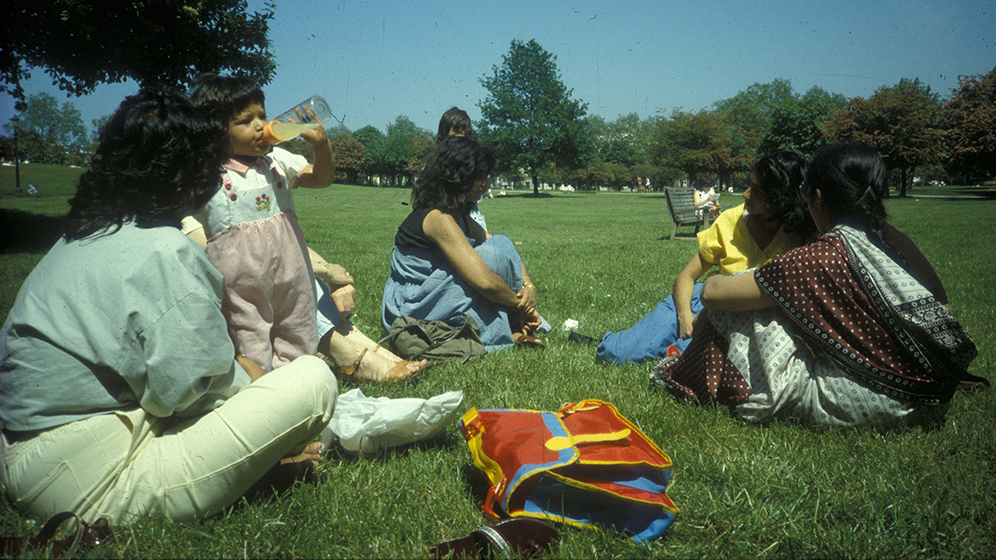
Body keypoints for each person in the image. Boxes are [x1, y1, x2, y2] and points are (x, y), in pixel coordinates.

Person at [0, 88, 336, 525]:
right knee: (311, 379)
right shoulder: (166, 250)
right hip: (86, 478)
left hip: (28, 446)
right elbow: (192, 392)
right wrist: (250, 378)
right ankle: (259, 472)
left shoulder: (86, 233)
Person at [650, 143, 983, 429]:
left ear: (818, 198)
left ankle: (683, 375)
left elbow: (710, 293)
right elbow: (943, 312)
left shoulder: (820, 255)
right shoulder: (893, 241)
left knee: (729, 304)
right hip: (934, 392)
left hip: (880, 399)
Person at [183, 74, 421, 382]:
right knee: (251, 340)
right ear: (216, 132)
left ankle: (302, 387)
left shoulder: (277, 161)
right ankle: (266, 394)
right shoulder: (209, 177)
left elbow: (321, 178)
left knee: (299, 332)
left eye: (262, 116)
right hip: (242, 288)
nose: (260, 125)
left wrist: (322, 148)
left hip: (291, 276)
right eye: (245, 121)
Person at [597, 151, 815, 364]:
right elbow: (686, 276)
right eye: (749, 185)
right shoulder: (731, 221)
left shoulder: (801, 235)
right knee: (618, 353)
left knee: (687, 360)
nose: (745, 194)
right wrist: (684, 316)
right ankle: (622, 340)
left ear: (781, 198)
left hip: (731, 317)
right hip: (696, 300)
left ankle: (671, 348)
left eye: (757, 191)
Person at [382, 136, 543, 349]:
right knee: (488, 261)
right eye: (480, 177)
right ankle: (512, 327)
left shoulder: (459, 215)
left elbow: (497, 242)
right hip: (412, 305)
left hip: (436, 293)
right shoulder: (437, 218)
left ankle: (512, 325)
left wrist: (528, 287)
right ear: (459, 177)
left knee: (500, 243)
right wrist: (521, 306)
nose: (486, 184)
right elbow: (484, 282)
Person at [436, 107, 488, 231]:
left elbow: (482, 187)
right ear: (444, 133)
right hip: (445, 215)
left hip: (470, 214)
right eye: (456, 131)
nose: (461, 136)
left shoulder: (473, 160)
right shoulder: (436, 161)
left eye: (466, 132)